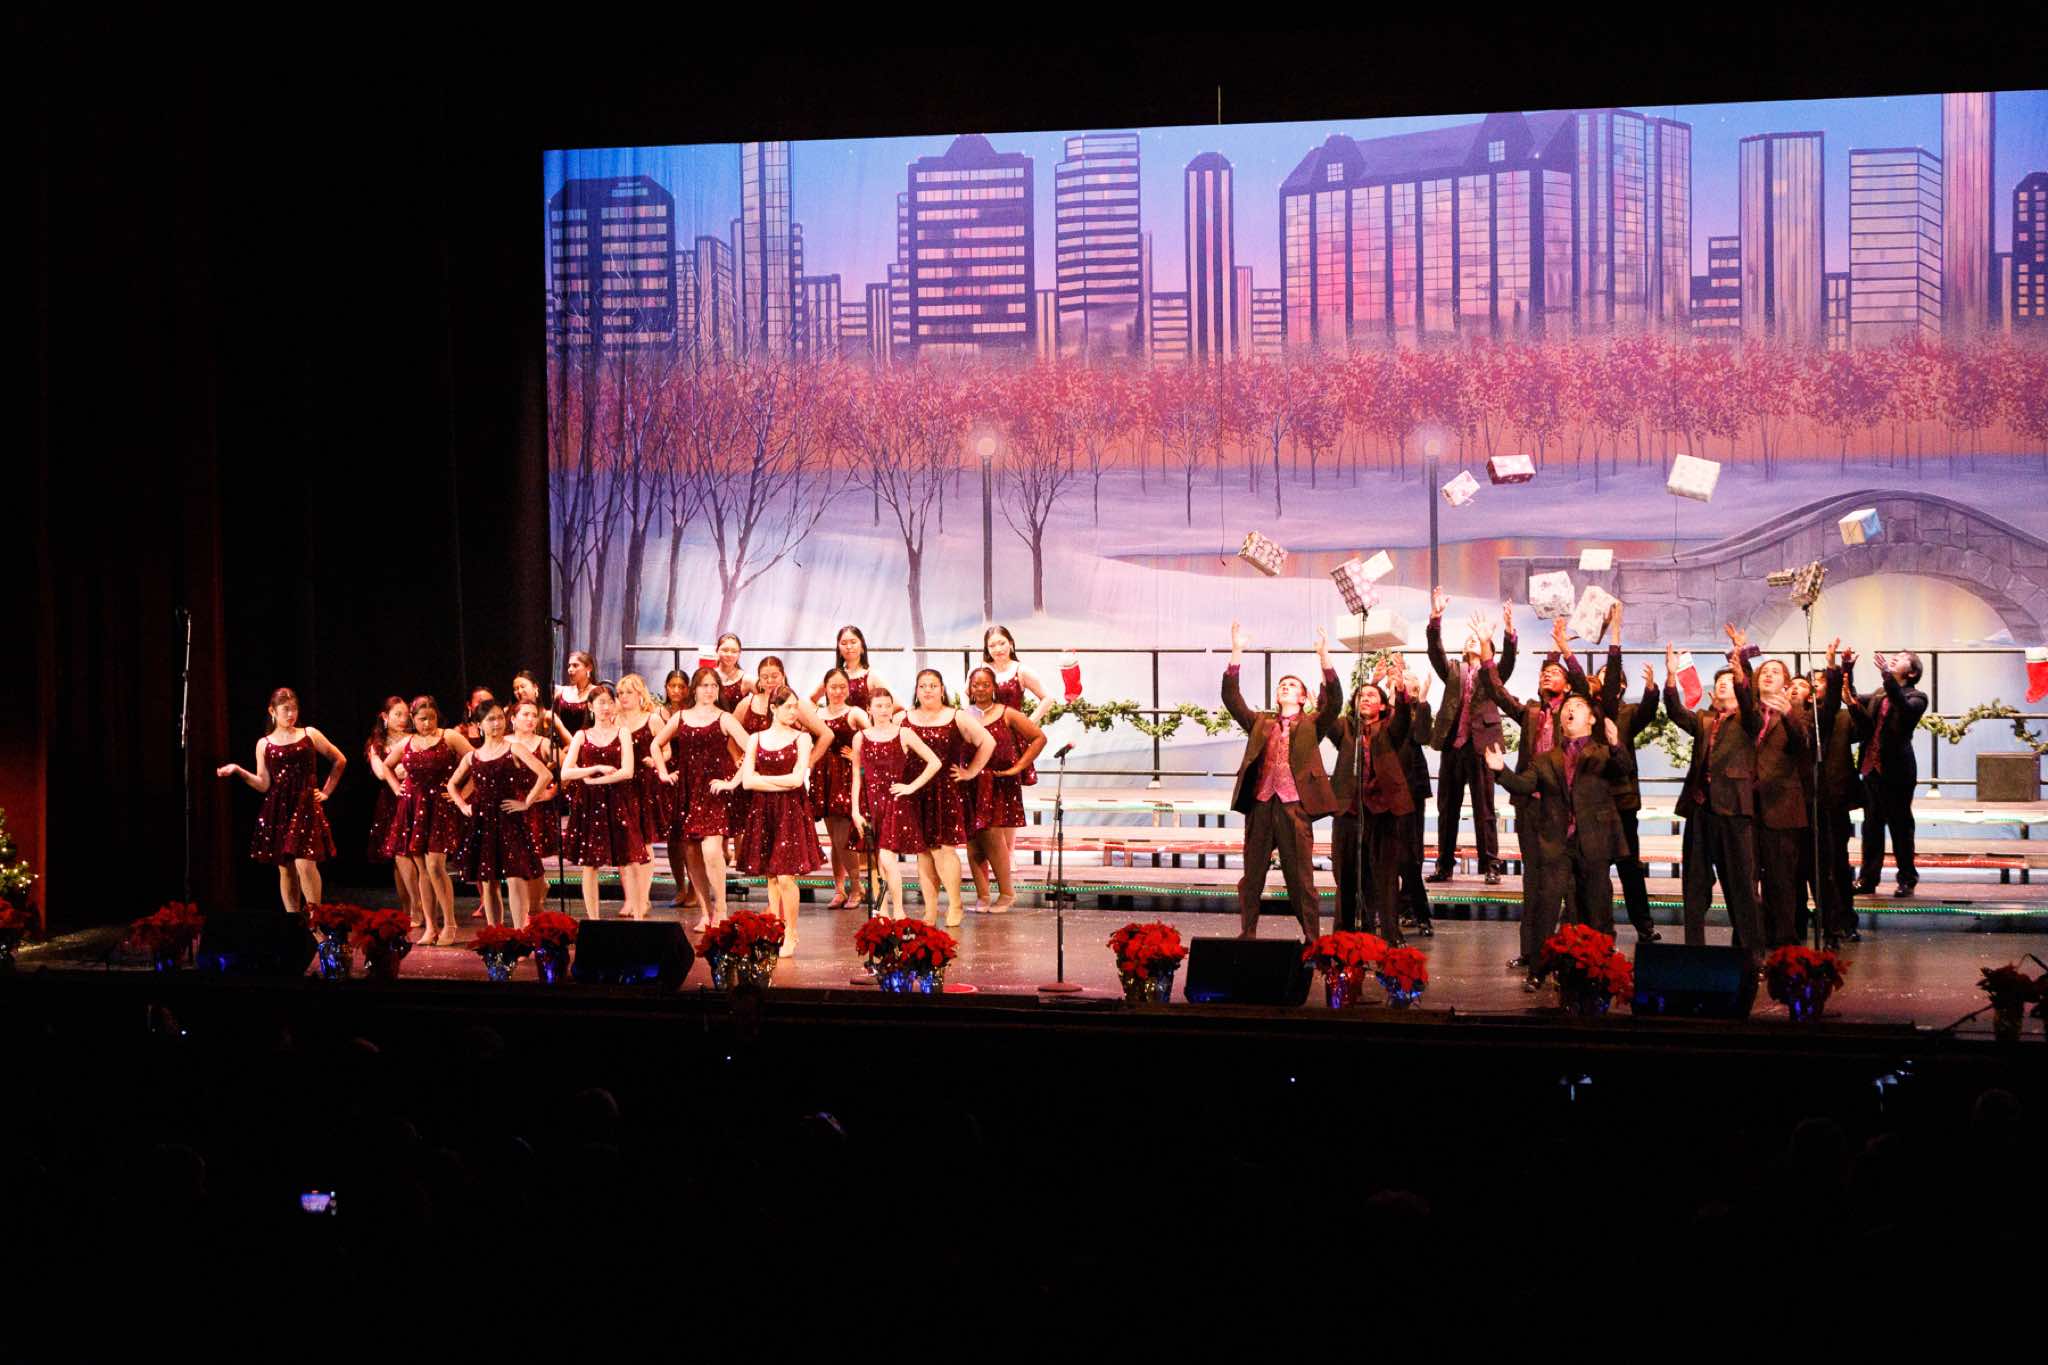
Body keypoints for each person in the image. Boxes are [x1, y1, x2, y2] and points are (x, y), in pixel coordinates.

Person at [1485, 697, 1629, 988]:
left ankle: (1599, 969)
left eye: (1578, 707)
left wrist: (1616, 744)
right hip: (1557, 842)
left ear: (1591, 719)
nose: (1570, 710)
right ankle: (1538, 970)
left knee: (1596, 907)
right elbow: (1524, 784)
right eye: (1566, 709)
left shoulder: (1602, 754)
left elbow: (1623, 768)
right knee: (1546, 905)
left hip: (1593, 841)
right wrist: (1501, 771)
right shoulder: (1545, 759)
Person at [1476, 613, 1591, 973]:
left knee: (1567, 884)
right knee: (1533, 881)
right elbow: (1496, 692)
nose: (1547, 675)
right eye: (1544, 673)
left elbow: (1585, 690)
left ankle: (1571, 952)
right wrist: (1486, 649)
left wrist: (1564, 651)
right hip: (1530, 804)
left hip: (1563, 807)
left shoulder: (1572, 713)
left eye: (1554, 673)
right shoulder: (1530, 712)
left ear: (1568, 686)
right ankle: (1532, 953)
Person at [1221, 621, 1341, 942]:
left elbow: (1335, 703)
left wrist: (1324, 658)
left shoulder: (1312, 724)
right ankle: (1247, 934)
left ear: (1303, 698)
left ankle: (1313, 941)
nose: (1285, 687)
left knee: (1300, 879)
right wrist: (1236, 652)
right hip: (1261, 806)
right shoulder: (1261, 723)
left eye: (1292, 685)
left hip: (1294, 808)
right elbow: (1231, 699)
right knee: (1252, 877)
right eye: (1282, 685)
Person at [1662, 629, 1764, 964]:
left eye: (1729, 682)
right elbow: (1676, 712)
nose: (1723, 685)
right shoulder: (1705, 720)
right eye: (1719, 682)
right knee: (1694, 887)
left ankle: (1752, 956)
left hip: (1733, 813)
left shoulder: (1749, 721)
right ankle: (1695, 953)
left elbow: (1748, 700)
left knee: (1741, 888)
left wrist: (1740, 666)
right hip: (1701, 811)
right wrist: (1671, 678)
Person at [216, 686, 344, 915]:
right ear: (272, 711)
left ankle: (315, 921)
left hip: (306, 805)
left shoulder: (309, 734)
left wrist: (326, 792)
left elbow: (339, 760)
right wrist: (237, 770)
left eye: (294, 709)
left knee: (306, 863)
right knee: (286, 868)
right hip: (279, 809)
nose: (291, 714)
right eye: (285, 709)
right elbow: (264, 783)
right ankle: (292, 922)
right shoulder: (264, 743)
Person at [716, 687, 820, 956]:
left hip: (791, 810)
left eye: (796, 707)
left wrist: (764, 781)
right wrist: (774, 782)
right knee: (772, 876)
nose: (794, 712)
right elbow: (748, 781)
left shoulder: (802, 738)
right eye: (788, 707)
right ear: (774, 708)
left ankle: (792, 932)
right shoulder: (756, 739)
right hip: (764, 809)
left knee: (786, 876)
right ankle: (776, 929)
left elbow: (796, 780)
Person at [1425, 592, 1519, 885]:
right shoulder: (1454, 669)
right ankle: (1444, 865)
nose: (1471, 641)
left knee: (1484, 809)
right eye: (1468, 639)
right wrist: (1435, 619)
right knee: (1447, 810)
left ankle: (1491, 864)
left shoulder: (1492, 673)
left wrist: (1508, 632)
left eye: (1476, 639)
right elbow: (1435, 653)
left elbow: (1508, 662)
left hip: (1482, 747)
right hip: (1454, 746)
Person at [653, 667, 753, 931]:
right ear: (694, 689)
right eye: (704, 685)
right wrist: (663, 773)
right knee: (691, 853)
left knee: (711, 850)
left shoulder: (724, 718)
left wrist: (733, 781)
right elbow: (655, 744)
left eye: (714, 686)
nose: (709, 690)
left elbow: (752, 748)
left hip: (713, 792)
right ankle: (705, 910)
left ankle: (721, 907)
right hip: (688, 791)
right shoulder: (681, 717)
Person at [901, 669, 997, 928]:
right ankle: (930, 910)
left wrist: (971, 771)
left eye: (933, 685)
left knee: (944, 850)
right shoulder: (905, 718)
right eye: (923, 685)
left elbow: (988, 742)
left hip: (945, 791)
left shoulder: (956, 716)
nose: (928, 690)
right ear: (917, 690)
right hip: (916, 792)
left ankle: (955, 904)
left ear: (942, 689)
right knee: (923, 853)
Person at [1324, 674, 1413, 943]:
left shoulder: (1389, 729)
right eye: (1360, 695)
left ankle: (1390, 937)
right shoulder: (1345, 729)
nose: (1364, 698)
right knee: (1346, 877)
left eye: (1371, 695)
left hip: (1383, 812)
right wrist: (1326, 670)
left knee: (1385, 878)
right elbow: (1328, 712)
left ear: (1383, 706)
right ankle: (1345, 938)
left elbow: (1403, 719)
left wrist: (1401, 689)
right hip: (1348, 811)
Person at [446, 702, 553, 929]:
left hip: (509, 820)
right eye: (491, 719)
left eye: (499, 718)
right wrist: (463, 806)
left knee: (515, 877)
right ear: (479, 724)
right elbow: (452, 784)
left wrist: (526, 802)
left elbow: (545, 774)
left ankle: (520, 931)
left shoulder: (514, 748)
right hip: (483, 822)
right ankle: (495, 935)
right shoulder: (472, 757)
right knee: (489, 881)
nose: (497, 723)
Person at [1592, 605, 1663, 942]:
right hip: (1593, 802)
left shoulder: (1629, 713)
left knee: (1629, 867)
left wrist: (1652, 690)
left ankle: (1644, 926)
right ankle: (1595, 929)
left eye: (1611, 676)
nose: (1605, 681)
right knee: (1592, 870)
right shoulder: (1586, 712)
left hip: (1622, 801)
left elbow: (1649, 711)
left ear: (1620, 686)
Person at [379, 695, 472, 945]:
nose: (427, 723)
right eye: (422, 719)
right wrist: (397, 788)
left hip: (439, 808)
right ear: (413, 718)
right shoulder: (407, 742)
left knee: (435, 866)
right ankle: (430, 926)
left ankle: (450, 923)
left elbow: (476, 761)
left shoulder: (448, 737)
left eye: (431, 718)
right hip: (413, 807)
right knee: (422, 869)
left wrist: (462, 794)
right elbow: (386, 766)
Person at [961, 664, 1048, 913]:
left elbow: (1039, 738)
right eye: (975, 685)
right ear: (970, 688)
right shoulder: (963, 715)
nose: (980, 689)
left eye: (985, 684)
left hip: (998, 783)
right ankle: (983, 895)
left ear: (994, 687)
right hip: (970, 784)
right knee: (973, 842)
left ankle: (1007, 893)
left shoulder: (1007, 713)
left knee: (992, 838)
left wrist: (1018, 766)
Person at [850, 686, 943, 921]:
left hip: (895, 804)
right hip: (871, 804)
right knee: (879, 861)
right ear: (869, 709)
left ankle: (899, 910)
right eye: (879, 706)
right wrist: (855, 810)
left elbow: (935, 762)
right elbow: (856, 776)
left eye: (888, 705)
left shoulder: (904, 734)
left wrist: (911, 786)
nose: (884, 710)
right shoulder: (860, 737)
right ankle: (882, 910)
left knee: (887, 857)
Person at [1738, 651, 1811, 948]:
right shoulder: (1746, 713)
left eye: (1775, 672)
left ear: (1786, 683)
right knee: (1747, 879)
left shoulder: (1798, 713)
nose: (1768, 674)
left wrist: (1789, 714)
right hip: (1746, 806)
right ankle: (1750, 942)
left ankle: (1785, 945)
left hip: (1781, 807)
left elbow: (1803, 746)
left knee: (1781, 882)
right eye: (1764, 671)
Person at [560, 683, 647, 921]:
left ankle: (639, 918)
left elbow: (627, 771)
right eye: (601, 703)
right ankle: (593, 920)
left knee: (630, 860)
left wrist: (596, 780)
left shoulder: (623, 733)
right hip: (589, 804)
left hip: (619, 800)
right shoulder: (582, 735)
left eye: (610, 702)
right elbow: (566, 772)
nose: (606, 707)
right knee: (590, 864)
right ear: (590, 706)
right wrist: (595, 768)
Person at [1849, 648, 1927, 898]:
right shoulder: (1879, 693)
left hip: (1897, 772)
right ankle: (1868, 879)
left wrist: (1886, 676)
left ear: (1912, 673)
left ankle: (1907, 878)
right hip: (1872, 769)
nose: (1895, 658)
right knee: (1872, 826)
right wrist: (1847, 669)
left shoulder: (1917, 697)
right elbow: (1852, 698)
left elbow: (1903, 708)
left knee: (1900, 826)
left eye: (1902, 658)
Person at [1816, 642, 1865, 947]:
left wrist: (1851, 697)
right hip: (1803, 802)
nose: (1815, 687)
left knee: (1837, 866)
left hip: (1833, 802)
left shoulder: (1844, 718)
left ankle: (1844, 921)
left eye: (1820, 681)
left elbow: (1866, 730)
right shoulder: (1800, 716)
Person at [809, 667, 871, 909]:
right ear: (825, 688)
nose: (837, 691)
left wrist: (857, 756)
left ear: (849, 688)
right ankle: (839, 888)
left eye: (842, 687)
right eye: (833, 687)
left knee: (842, 837)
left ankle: (856, 887)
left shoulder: (855, 713)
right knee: (834, 839)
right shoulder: (816, 713)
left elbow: (874, 739)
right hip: (823, 778)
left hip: (845, 779)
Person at [613, 674, 670, 919]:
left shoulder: (652, 719)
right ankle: (629, 898)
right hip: (621, 786)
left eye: (629, 692)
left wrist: (656, 761)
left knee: (644, 844)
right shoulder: (614, 720)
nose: (624, 697)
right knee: (624, 844)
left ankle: (643, 897)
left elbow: (667, 750)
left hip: (645, 786)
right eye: (620, 693)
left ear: (640, 694)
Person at [363, 695, 418, 929]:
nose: (403, 719)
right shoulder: (376, 744)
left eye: (406, 715)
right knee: (398, 857)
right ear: (385, 716)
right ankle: (409, 908)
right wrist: (397, 771)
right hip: (391, 801)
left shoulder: (415, 738)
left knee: (413, 855)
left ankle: (419, 907)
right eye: (397, 714)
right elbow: (380, 772)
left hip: (414, 799)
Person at [1390, 662, 1435, 936]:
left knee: (1411, 853)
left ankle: (1413, 909)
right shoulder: (1385, 712)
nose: (1401, 680)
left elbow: (1421, 736)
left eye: (1407, 679)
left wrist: (1424, 701)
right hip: (1387, 788)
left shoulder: (1419, 710)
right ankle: (1391, 908)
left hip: (1412, 787)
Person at [507, 698, 561, 920]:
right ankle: (526, 907)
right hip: (511, 808)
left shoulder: (544, 744)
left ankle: (534, 907)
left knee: (533, 856)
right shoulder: (504, 742)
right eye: (525, 715)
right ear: (513, 719)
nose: (530, 719)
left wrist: (551, 792)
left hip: (536, 808)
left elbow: (566, 769)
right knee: (517, 859)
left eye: (533, 715)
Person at [809, 625, 887, 713]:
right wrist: (821, 716)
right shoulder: (832, 676)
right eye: (844, 643)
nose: (849, 647)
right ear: (839, 649)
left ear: (862, 647)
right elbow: (811, 700)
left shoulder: (872, 676)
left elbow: (896, 707)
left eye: (853, 642)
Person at [554, 651, 597, 744]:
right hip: (563, 746)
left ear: (589, 668)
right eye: (569, 666)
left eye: (575, 665)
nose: (570, 669)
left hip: (587, 745)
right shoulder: (562, 692)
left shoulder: (597, 692)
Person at [711, 633, 750, 712]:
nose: (729, 654)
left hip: (736, 719)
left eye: (734, 651)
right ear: (717, 650)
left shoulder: (746, 679)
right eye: (725, 650)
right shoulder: (708, 676)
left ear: (739, 654)